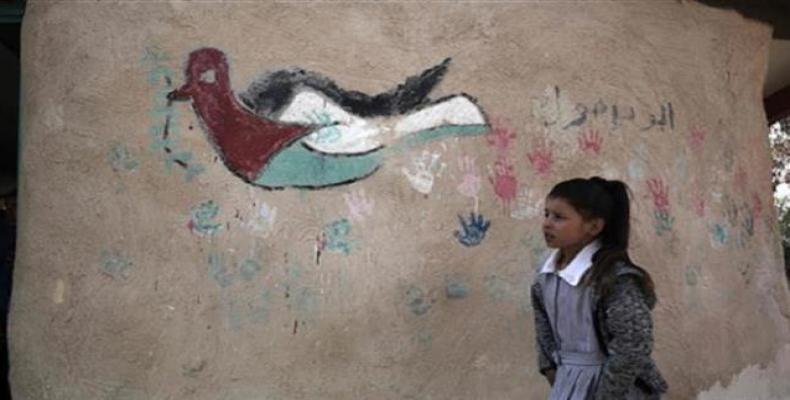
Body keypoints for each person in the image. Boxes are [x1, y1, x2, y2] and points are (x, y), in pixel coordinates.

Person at [530, 177, 668, 399]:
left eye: (559, 217)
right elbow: (543, 330)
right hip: (567, 385)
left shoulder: (614, 278)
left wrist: (605, 395)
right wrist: (551, 371)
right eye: (546, 214)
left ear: (593, 226)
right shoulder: (545, 276)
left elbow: (632, 345)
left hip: (614, 388)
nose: (547, 223)